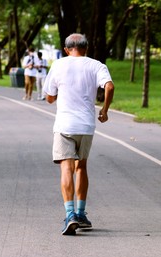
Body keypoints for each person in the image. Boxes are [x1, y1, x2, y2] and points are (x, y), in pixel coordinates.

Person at [43, 33, 114, 235]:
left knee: (66, 167)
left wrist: (57, 92)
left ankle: (70, 214)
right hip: (86, 126)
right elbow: (109, 86)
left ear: (66, 49)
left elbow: (49, 98)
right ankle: (81, 214)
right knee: (81, 167)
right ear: (86, 48)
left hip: (65, 125)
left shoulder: (58, 65)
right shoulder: (96, 65)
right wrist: (104, 110)